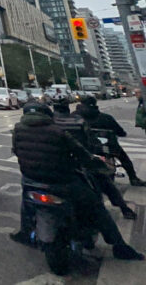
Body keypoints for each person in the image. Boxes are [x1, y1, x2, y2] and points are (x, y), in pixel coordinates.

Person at [11, 101, 143, 260]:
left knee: (26, 202)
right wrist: (93, 163)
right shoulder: (58, 131)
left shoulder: (18, 129)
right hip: (63, 182)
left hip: (31, 180)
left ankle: (25, 232)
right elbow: (81, 151)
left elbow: (16, 151)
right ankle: (119, 246)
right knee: (97, 208)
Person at [54, 97, 137, 219]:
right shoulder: (88, 119)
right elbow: (90, 140)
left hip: (62, 164)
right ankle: (127, 200)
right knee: (107, 181)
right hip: (89, 155)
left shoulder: (54, 124)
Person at [76, 95, 145, 186]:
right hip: (109, 146)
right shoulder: (105, 117)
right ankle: (133, 178)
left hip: (87, 146)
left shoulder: (76, 117)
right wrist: (122, 133)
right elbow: (119, 131)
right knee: (124, 159)